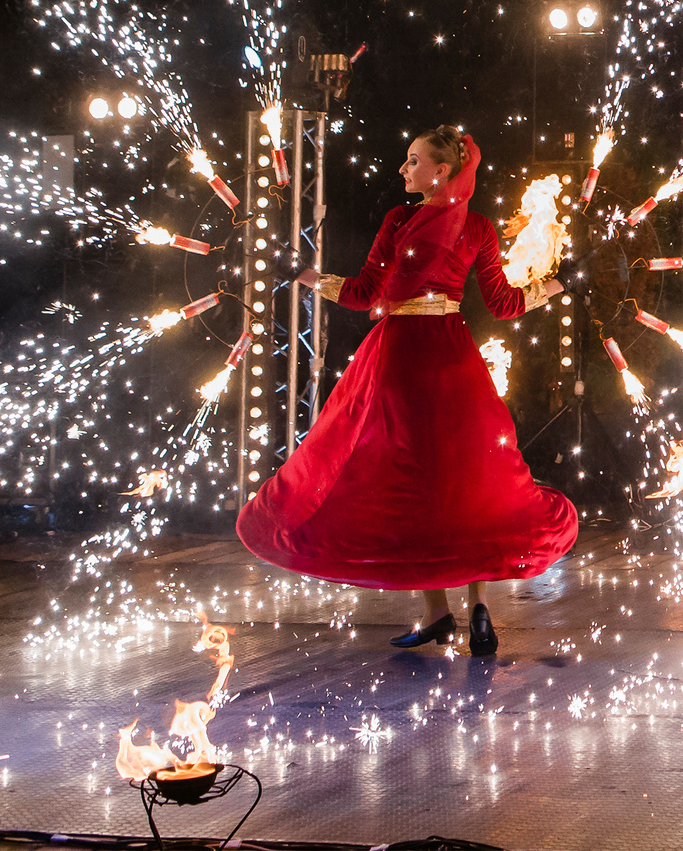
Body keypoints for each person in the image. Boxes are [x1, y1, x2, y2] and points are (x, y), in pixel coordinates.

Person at [236, 126, 578, 656]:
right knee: (468, 480)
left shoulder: (400, 220)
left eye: (413, 160)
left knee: (410, 485)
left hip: (401, 360)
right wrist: (560, 282)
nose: (403, 169)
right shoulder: (478, 227)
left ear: (441, 171)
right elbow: (505, 305)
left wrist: (303, 276)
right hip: (454, 356)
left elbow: (363, 294)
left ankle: (436, 611)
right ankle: (477, 609)